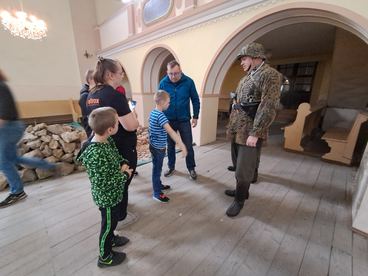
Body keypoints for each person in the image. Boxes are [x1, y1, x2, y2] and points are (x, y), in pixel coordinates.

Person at [225, 42, 282, 217]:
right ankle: (242, 191)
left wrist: (256, 132)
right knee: (237, 163)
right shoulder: (246, 77)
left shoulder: (270, 75)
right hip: (238, 127)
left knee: (244, 167)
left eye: (244, 58)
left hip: (250, 130)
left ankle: (240, 200)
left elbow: (268, 106)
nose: (241, 62)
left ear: (256, 58)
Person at [77, 107, 133, 268]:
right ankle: (105, 256)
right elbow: (105, 182)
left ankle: (112, 239)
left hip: (114, 194)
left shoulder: (107, 140)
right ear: (110, 129)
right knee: (107, 226)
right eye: (117, 123)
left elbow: (116, 155)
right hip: (106, 197)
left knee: (112, 222)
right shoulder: (95, 154)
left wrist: (123, 163)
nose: (118, 125)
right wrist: (125, 175)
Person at [86, 57, 139, 225]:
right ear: (109, 74)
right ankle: (118, 215)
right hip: (121, 147)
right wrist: (135, 117)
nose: (122, 75)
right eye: (120, 72)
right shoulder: (115, 96)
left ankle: (112, 212)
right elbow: (130, 126)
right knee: (122, 179)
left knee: (109, 180)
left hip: (103, 145)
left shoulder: (91, 94)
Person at [0, 69, 56, 208]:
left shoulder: (1, 87)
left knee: (3, 161)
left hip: (9, 127)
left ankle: (18, 192)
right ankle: (50, 166)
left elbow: (4, 114)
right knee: (13, 159)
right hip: (10, 127)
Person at [158, 60, 200, 180]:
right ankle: (171, 167)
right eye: (170, 74)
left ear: (180, 71)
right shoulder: (163, 83)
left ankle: (191, 168)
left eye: (176, 73)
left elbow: (195, 99)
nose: (173, 76)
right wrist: (159, 118)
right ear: (167, 72)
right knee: (170, 145)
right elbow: (159, 102)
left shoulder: (189, 82)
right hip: (168, 120)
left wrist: (195, 116)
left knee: (188, 145)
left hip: (183, 120)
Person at [149, 90, 187, 203]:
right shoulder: (161, 116)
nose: (169, 104)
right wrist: (182, 145)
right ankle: (157, 193)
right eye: (168, 102)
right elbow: (171, 132)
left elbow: (150, 126)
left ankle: (158, 185)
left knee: (157, 168)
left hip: (154, 145)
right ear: (162, 102)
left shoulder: (153, 112)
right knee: (157, 170)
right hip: (158, 148)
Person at [79, 69, 95, 137]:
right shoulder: (85, 96)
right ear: (90, 80)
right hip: (91, 129)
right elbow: (87, 117)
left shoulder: (91, 93)